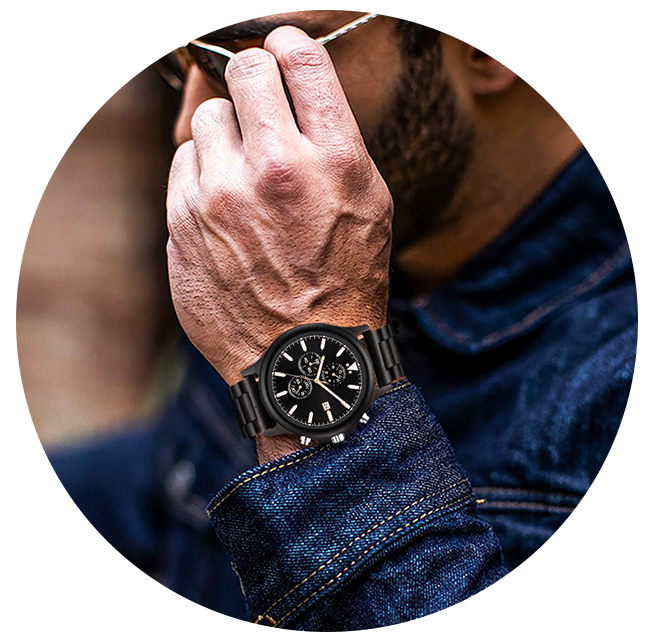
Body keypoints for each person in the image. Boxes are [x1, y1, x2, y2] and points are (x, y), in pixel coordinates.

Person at [16, 8, 638, 632]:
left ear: (493, 39)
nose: (190, 126)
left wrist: (303, 339)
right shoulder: (326, 222)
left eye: (242, 63)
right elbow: (186, 464)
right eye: (175, 50)